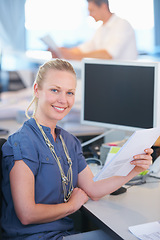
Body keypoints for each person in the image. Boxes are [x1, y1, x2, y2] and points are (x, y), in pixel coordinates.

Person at [1, 59, 152, 239]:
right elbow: (27, 214)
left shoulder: (69, 141)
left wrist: (134, 170)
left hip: (65, 233)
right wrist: (72, 205)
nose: (63, 100)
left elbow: (93, 190)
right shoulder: (22, 142)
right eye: (55, 90)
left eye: (70, 92)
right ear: (36, 90)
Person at [49, 0, 138, 60]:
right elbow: (85, 48)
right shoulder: (101, 29)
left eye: (92, 10)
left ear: (103, 7)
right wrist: (63, 52)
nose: (90, 15)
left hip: (125, 77)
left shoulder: (122, 25)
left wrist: (74, 56)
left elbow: (108, 54)